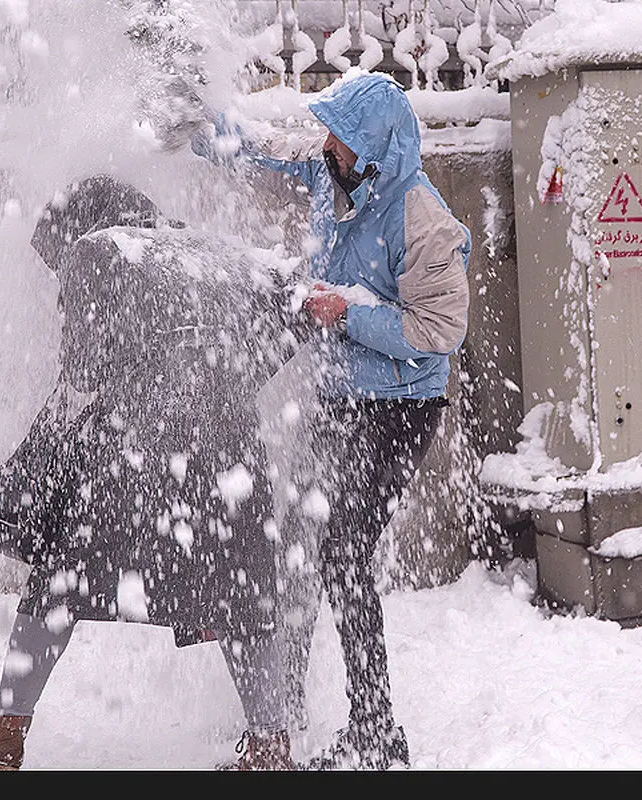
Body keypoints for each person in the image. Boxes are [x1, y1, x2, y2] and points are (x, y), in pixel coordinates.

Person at [0, 175, 302, 771]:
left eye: (56, 261)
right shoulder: (201, 251)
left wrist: (47, 446)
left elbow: (84, 371)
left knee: (61, 575)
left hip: (145, 462)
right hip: (231, 455)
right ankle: (269, 744)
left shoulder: (96, 251)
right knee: (239, 586)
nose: (58, 275)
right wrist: (220, 388)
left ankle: (6, 727)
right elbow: (289, 309)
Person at [203, 72, 471, 770]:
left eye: (341, 138)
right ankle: (280, 720)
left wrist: (346, 312)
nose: (326, 146)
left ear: (374, 150)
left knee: (344, 554)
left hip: (401, 406)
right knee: (299, 544)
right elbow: (278, 151)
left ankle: (377, 734)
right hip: (341, 396)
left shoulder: (421, 216)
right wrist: (208, 134)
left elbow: (440, 330)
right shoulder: (334, 172)